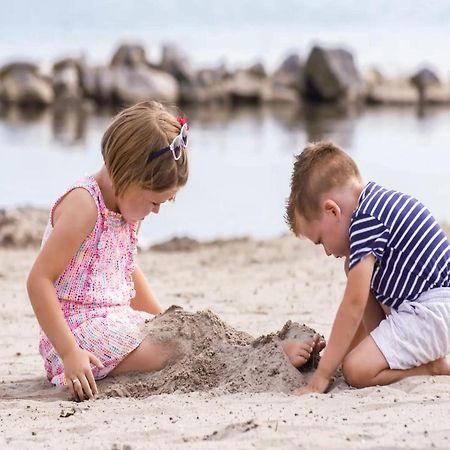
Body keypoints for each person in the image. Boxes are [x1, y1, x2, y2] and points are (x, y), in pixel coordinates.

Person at [27, 100, 318, 402]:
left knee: (193, 328)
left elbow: (125, 269)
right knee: (176, 348)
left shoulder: (126, 208)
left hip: (113, 320)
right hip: (77, 336)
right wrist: (70, 352)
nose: (156, 211)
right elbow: (39, 280)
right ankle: (263, 359)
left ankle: (260, 347)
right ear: (127, 177)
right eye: (155, 202)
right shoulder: (84, 207)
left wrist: (162, 319)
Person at [285, 141, 450, 394]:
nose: (327, 252)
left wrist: (322, 375)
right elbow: (361, 307)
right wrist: (335, 354)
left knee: (356, 369)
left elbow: (353, 305)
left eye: (320, 241)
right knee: (353, 268)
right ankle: (385, 352)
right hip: (430, 309)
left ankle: (433, 368)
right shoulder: (374, 205)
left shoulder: (365, 222)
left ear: (332, 211)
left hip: (433, 312)